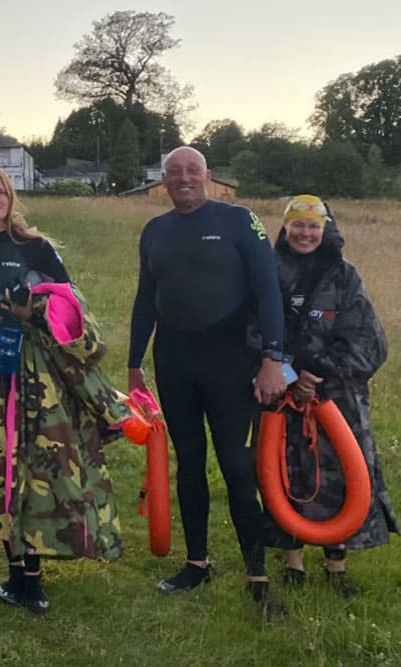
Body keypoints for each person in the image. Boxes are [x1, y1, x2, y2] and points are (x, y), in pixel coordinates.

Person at [127, 146, 288, 617]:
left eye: (192, 170)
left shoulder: (241, 221)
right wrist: (135, 363)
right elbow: (144, 298)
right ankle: (197, 563)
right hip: (174, 361)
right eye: (174, 172)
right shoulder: (155, 230)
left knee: (238, 467)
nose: (183, 178)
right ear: (163, 179)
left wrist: (273, 359)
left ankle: (256, 575)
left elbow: (268, 292)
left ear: (208, 176)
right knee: (189, 464)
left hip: (229, 361)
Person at [0, 167, 123, 614]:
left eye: (0, 193)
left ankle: (31, 577)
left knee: (30, 461)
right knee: (1, 461)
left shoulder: (36, 247)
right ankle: (15, 571)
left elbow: (71, 303)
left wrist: (32, 307)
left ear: (12, 198)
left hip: (30, 361)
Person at [264, 194, 397, 597]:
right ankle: (293, 563)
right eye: (297, 225)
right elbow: (252, 335)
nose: (305, 233)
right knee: (286, 475)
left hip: (337, 399)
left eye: (313, 226)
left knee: (342, 475)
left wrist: (318, 373)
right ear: (285, 228)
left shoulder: (344, 276)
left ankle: (336, 565)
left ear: (325, 230)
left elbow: (368, 340)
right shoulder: (266, 273)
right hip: (282, 399)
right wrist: (289, 376)